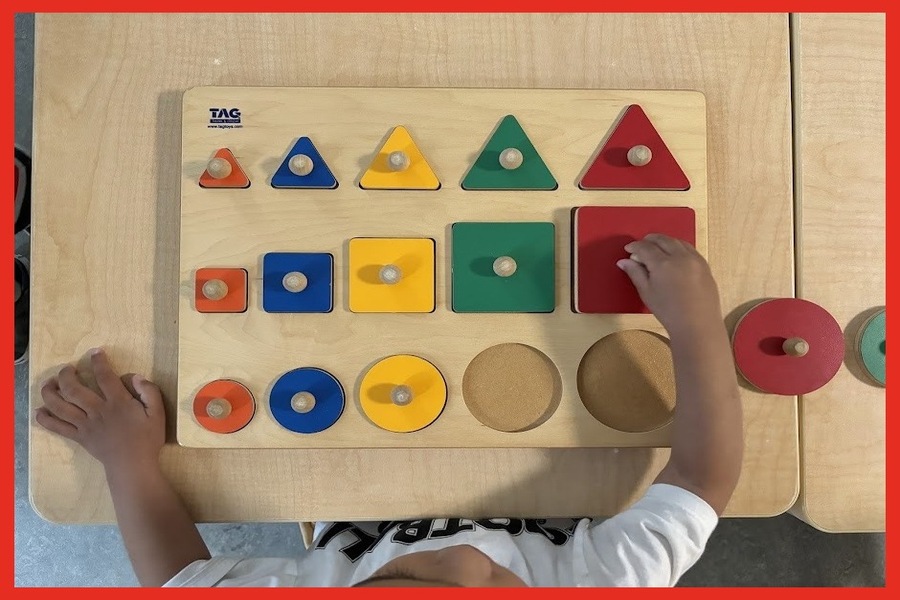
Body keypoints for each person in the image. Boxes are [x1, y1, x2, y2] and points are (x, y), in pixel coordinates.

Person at [35, 233, 743, 587]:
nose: (445, 556)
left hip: (346, 475)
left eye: (395, 579)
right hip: (550, 468)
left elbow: (178, 579)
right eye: (479, 581)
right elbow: (704, 479)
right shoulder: (602, 583)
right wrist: (695, 326)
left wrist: (127, 462)